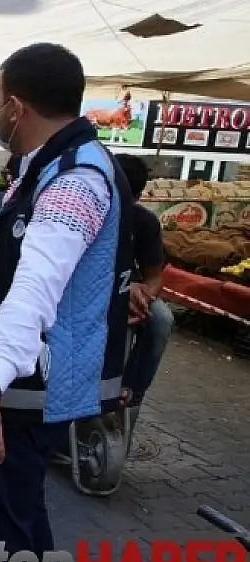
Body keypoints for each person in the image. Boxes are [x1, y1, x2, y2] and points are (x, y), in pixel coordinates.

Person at [0, 43, 134, 562]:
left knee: (2, 540)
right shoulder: (50, 166)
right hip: (14, 388)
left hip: (17, 395)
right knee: (19, 525)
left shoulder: (76, 180)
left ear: (16, 107)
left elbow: (33, 290)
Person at [114, 154, 172, 441]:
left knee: (161, 319)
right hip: (88, 292)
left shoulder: (145, 222)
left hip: (130, 292)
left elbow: (154, 274)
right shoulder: (84, 212)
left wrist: (145, 295)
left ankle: (131, 394)